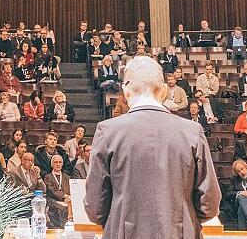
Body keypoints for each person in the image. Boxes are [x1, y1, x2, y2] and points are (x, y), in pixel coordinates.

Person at [84, 56, 221, 238]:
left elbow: (95, 208)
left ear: (126, 91)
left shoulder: (107, 132)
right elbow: (209, 204)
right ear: (163, 90)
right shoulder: (192, 131)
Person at [44, 155, 71, 228]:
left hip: (66, 201)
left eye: (60, 162)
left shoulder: (67, 177)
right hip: (53, 201)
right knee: (60, 208)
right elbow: (51, 190)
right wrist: (65, 196)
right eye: (55, 162)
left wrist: (67, 198)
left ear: (62, 164)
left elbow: (70, 191)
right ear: (52, 164)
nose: (58, 164)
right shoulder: (47, 177)